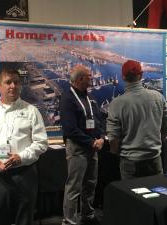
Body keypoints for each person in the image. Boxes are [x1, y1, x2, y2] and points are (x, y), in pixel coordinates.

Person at [0, 68, 48, 225]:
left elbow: (41, 143)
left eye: (16, 82)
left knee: (25, 219)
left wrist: (21, 157)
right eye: (8, 82)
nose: (13, 86)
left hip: (25, 175)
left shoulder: (32, 111)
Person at [106, 60, 167, 180]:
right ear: (141, 75)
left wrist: (117, 153)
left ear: (123, 77)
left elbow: (113, 138)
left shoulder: (116, 104)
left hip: (130, 162)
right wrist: (157, 141)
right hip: (154, 159)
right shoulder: (158, 97)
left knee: (131, 197)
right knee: (157, 194)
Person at [60, 64, 105, 225]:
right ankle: (69, 220)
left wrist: (101, 137)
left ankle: (87, 214)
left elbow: (98, 119)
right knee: (74, 187)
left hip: (93, 147)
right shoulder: (67, 99)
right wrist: (92, 142)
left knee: (90, 183)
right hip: (78, 148)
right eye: (89, 76)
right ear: (80, 79)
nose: (92, 78)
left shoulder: (90, 97)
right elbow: (70, 129)